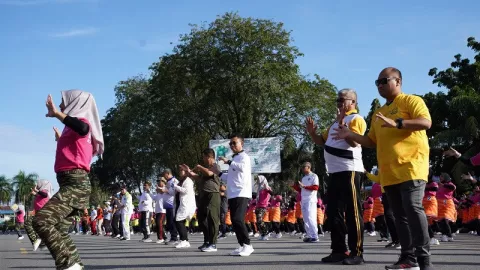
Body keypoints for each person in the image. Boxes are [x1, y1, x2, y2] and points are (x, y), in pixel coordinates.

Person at [331, 67, 433, 270]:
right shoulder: (379, 113)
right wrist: (349, 135)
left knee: (413, 208)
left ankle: (424, 260)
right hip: (389, 173)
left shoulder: (411, 101)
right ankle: (408, 259)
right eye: (377, 82)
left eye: (384, 81)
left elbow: (426, 122)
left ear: (398, 81)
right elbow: (370, 141)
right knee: (399, 216)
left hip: (411, 166)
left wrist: (398, 123)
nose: (379, 85)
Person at [33, 90, 104, 270]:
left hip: (76, 183)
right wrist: (60, 141)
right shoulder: (70, 128)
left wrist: (57, 113)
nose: (62, 105)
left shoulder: (82, 123)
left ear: (77, 103)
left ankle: (67, 264)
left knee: (41, 221)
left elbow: (83, 129)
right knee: (58, 228)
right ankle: (76, 265)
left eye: (64, 102)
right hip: (70, 182)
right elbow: (75, 149)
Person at [306, 88, 366, 265]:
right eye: (337, 100)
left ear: (352, 102)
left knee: (353, 213)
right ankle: (339, 250)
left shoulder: (356, 119)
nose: (339, 103)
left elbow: (355, 142)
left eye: (342, 100)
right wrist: (311, 132)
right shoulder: (334, 123)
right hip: (333, 172)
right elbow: (320, 141)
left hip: (350, 170)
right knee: (334, 213)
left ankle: (357, 252)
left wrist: (344, 129)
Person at [211, 134, 254, 257]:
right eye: (231, 143)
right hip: (233, 193)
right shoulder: (235, 159)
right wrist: (218, 173)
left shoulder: (244, 157)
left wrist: (228, 161)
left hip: (241, 192)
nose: (232, 145)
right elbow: (228, 177)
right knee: (234, 221)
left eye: (234, 143)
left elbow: (242, 168)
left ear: (242, 144)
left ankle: (248, 245)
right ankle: (242, 245)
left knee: (237, 219)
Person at [181, 148, 221, 252]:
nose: (203, 159)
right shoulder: (206, 168)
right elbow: (198, 177)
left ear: (209, 157)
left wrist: (200, 167)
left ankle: (213, 244)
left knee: (212, 218)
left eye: (204, 157)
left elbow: (209, 174)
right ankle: (207, 241)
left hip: (213, 195)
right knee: (202, 218)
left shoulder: (215, 166)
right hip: (203, 195)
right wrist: (189, 171)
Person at [294, 162, 320, 243]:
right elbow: (301, 189)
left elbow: (315, 187)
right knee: (305, 218)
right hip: (303, 200)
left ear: (309, 167)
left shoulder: (314, 176)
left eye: (303, 167)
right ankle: (309, 235)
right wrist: (294, 186)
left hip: (311, 200)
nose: (302, 168)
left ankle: (315, 236)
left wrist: (304, 186)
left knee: (310, 217)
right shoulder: (304, 178)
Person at [25, 179, 52, 251]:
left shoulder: (45, 191)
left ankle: (37, 242)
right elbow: (40, 197)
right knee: (35, 227)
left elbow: (44, 195)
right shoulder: (40, 193)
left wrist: (37, 191)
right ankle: (40, 243)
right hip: (38, 212)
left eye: (37, 184)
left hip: (43, 212)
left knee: (29, 224)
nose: (36, 186)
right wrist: (34, 194)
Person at [172, 168, 196, 248]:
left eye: (181, 170)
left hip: (186, 204)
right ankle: (184, 240)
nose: (179, 172)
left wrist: (175, 186)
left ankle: (184, 240)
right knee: (178, 221)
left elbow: (185, 191)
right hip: (181, 204)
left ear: (186, 172)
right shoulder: (181, 181)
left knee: (178, 220)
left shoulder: (188, 181)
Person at [161, 169, 179, 244]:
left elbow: (173, 192)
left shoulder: (174, 181)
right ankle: (172, 236)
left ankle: (174, 238)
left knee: (172, 221)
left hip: (172, 204)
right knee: (169, 222)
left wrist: (165, 190)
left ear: (168, 173)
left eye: (164, 174)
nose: (163, 176)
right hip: (167, 205)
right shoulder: (168, 181)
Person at [254, 175, 272, 241]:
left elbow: (272, 193)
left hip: (263, 206)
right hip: (258, 206)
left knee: (260, 220)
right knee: (258, 222)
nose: (258, 181)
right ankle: (263, 234)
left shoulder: (266, 187)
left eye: (258, 179)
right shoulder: (259, 188)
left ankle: (266, 232)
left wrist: (266, 188)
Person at [153, 178, 167, 244]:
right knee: (158, 224)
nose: (158, 183)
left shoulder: (165, 188)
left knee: (159, 223)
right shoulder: (158, 192)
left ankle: (161, 238)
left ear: (163, 182)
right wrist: (149, 192)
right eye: (158, 181)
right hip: (158, 210)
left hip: (162, 210)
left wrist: (158, 188)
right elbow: (154, 198)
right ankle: (164, 237)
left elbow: (162, 191)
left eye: (160, 181)